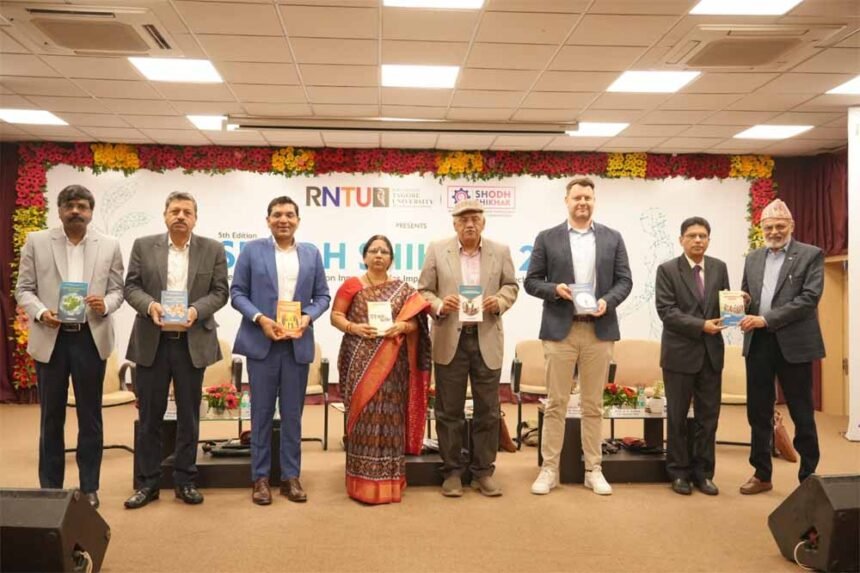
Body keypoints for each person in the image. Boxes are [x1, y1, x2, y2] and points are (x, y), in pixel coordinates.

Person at [15, 184, 124, 509]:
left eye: (82, 206)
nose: (76, 211)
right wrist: (41, 312)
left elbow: (117, 289)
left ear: (91, 212)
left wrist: (105, 304)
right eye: (69, 206)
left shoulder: (109, 244)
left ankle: (89, 487)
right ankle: (50, 489)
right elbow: (24, 289)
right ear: (60, 210)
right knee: (51, 417)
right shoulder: (36, 241)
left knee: (90, 417)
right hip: (52, 338)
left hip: (90, 338)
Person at [525, 176, 632, 496]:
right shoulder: (547, 237)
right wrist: (554, 289)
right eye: (577, 198)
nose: (582, 202)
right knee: (555, 403)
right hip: (561, 331)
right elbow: (531, 281)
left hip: (599, 331)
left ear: (593, 201)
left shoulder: (613, 238)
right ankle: (549, 469)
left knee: (592, 405)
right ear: (567, 201)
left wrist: (608, 301)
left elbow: (624, 281)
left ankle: (593, 469)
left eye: (587, 197)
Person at [123, 191, 229, 509]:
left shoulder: (212, 249)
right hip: (152, 343)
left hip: (191, 343)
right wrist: (150, 305)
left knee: (188, 417)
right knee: (149, 417)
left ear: (195, 218)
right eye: (175, 211)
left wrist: (196, 310)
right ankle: (148, 483)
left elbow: (220, 292)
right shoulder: (144, 245)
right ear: (165, 215)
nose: (180, 216)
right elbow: (131, 287)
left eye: (187, 212)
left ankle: (185, 480)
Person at [231, 196, 331, 505]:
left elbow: (323, 296)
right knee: (260, 414)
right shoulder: (252, 251)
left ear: (298, 220)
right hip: (262, 344)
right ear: (268, 220)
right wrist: (260, 319)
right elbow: (238, 293)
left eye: (289, 215)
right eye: (277, 215)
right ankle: (260, 479)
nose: (283, 220)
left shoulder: (311, 253)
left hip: (296, 345)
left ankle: (290, 477)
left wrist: (307, 317)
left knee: (292, 415)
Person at [417, 199, 519, 498]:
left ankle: (483, 471)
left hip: (486, 337)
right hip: (450, 338)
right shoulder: (437, 249)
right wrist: (439, 304)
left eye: (474, 218)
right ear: (455, 224)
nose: (469, 224)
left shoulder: (500, 250)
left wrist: (499, 301)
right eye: (463, 220)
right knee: (449, 410)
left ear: (483, 222)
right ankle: (452, 471)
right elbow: (424, 290)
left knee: (488, 410)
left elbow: (511, 286)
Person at [330, 235, 431, 504]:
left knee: (391, 417)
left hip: (393, 363)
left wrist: (402, 326)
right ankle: (360, 483)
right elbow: (335, 316)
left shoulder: (404, 290)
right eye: (373, 251)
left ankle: (389, 483)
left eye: (384, 251)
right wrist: (354, 327)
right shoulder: (351, 285)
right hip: (358, 360)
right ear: (364, 256)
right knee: (363, 416)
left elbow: (417, 324)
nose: (378, 255)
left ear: (391, 259)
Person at [739, 199, 824, 494]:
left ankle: (808, 477)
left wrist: (765, 319)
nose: (774, 232)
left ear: (791, 226)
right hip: (759, 343)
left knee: (802, 412)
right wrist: (743, 301)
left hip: (794, 344)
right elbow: (748, 292)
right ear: (761, 229)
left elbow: (808, 299)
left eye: (780, 226)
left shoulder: (811, 255)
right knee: (758, 412)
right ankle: (762, 474)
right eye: (769, 227)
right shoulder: (753, 258)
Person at [655, 216, 730, 496]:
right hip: (679, 355)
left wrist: (739, 304)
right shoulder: (667, 270)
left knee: (708, 419)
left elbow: (725, 304)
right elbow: (667, 311)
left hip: (711, 355)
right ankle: (679, 473)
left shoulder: (719, 267)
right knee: (677, 417)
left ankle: (704, 473)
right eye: (692, 236)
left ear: (709, 239)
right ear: (681, 240)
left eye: (703, 236)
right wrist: (702, 326)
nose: (698, 240)